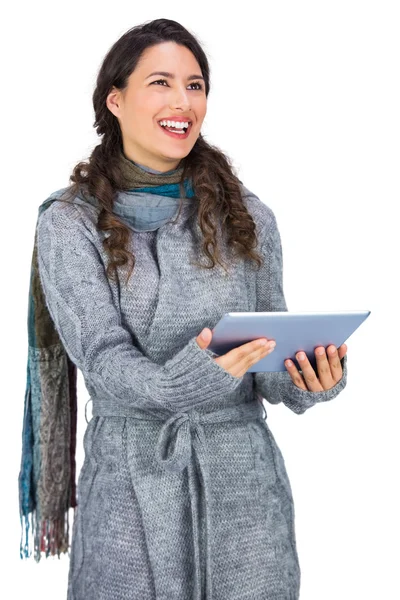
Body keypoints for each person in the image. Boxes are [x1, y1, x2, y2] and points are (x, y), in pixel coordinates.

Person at [32, 17, 348, 600]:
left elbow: (269, 355)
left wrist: (309, 376)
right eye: (161, 82)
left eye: (196, 85)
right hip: (131, 484)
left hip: (244, 493)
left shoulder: (246, 216)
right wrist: (194, 377)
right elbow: (102, 358)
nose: (183, 101)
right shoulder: (69, 223)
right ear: (116, 100)